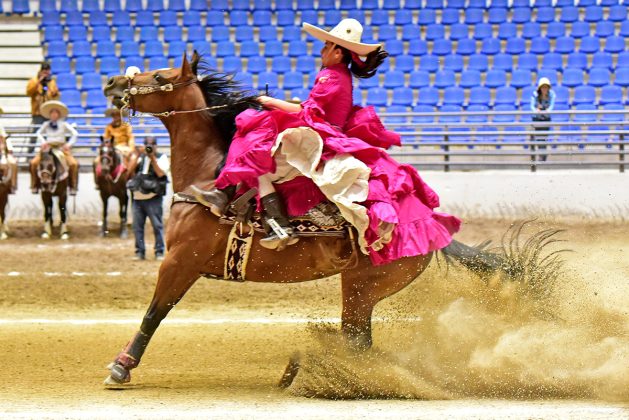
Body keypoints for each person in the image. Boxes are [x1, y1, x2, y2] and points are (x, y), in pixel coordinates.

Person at [193, 19, 460, 266]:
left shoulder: (331, 75)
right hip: (324, 132)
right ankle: (260, 213)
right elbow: (312, 108)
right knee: (260, 147)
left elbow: (308, 114)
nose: (322, 51)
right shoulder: (336, 75)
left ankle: (275, 223)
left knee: (257, 148)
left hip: (324, 137)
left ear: (338, 52)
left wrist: (269, 102)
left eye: (326, 46)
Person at [127, 137, 169, 261]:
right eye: (147, 144)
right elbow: (129, 172)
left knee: (157, 226)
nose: (149, 146)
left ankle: (159, 251)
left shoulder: (162, 157)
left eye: (152, 144)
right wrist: (136, 155)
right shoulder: (140, 157)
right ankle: (140, 252)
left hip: (153, 197)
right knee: (137, 226)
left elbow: (161, 173)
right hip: (137, 197)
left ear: (156, 146)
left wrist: (152, 158)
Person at [30, 101, 79, 195]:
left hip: (61, 148)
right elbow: (38, 133)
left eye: (56, 112)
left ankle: (73, 186)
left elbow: (75, 133)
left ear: (59, 114)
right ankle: (35, 185)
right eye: (52, 112)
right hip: (48, 148)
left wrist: (68, 144)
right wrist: (43, 142)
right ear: (49, 114)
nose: (53, 114)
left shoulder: (63, 124)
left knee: (73, 164)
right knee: (34, 163)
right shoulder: (46, 124)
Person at [94, 108, 135, 187]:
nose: (116, 117)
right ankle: (98, 182)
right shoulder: (108, 127)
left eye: (117, 115)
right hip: (111, 148)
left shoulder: (126, 126)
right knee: (96, 161)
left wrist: (131, 148)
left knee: (132, 160)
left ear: (121, 116)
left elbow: (130, 138)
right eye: (114, 115)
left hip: (124, 147)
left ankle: (130, 178)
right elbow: (105, 139)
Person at [26, 62, 60, 128]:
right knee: (37, 130)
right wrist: (39, 81)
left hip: (48, 112)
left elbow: (56, 95)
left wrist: (52, 91)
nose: (46, 74)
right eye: (44, 72)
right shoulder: (33, 81)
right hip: (37, 112)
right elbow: (29, 92)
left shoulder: (51, 82)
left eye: (47, 72)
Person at [530, 77, 556, 162]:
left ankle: (543, 155)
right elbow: (532, 106)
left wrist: (548, 111)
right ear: (540, 88)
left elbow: (552, 106)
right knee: (538, 138)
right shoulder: (535, 94)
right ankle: (542, 155)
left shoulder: (552, 94)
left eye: (546, 87)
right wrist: (536, 110)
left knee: (544, 137)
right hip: (536, 119)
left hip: (546, 118)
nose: (544, 89)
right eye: (543, 87)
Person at [0, 108, 18, 194]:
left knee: (13, 163)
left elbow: (5, 138)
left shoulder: (0, 126)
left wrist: (9, 148)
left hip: (2, 152)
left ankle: (12, 185)